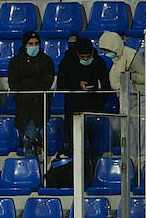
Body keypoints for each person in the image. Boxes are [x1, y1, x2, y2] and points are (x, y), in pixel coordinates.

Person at [7, 31, 56, 160]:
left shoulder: (47, 61)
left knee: (28, 139)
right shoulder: (15, 61)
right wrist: (31, 86)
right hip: (22, 106)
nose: (34, 46)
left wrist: (26, 85)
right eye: (30, 43)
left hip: (40, 105)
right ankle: (34, 167)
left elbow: (46, 84)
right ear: (25, 44)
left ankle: (33, 170)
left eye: (36, 43)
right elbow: (13, 84)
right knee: (27, 139)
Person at [57, 37, 114, 119]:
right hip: (73, 106)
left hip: (94, 105)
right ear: (77, 53)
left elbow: (106, 85)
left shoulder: (99, 62)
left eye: (88, 56)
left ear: (92, 52)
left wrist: (99, 103)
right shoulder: (66, 63)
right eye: (82, 57)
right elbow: (61, 84)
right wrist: (77, 85)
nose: (86, 59)